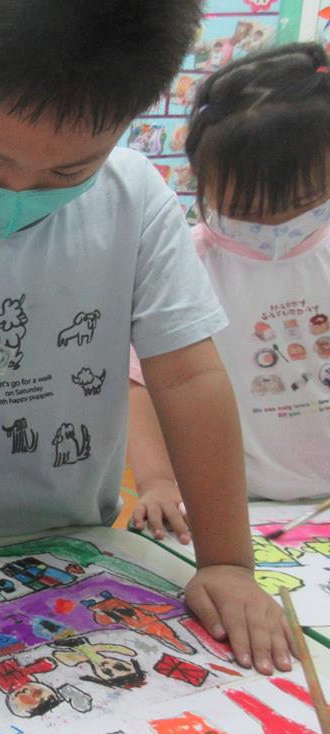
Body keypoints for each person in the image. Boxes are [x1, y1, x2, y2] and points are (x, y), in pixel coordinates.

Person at [0, 0, 294, 675]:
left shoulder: (137, 200)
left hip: (75, 541)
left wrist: (229, 562)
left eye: (68, 172)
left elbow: (188, 378)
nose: (19, 189)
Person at [128, 43, 330, 529]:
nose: (275, 224)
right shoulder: (186, 262)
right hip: (235, 503)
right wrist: (158, 481)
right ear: (202, 179)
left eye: (304, 202)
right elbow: (137, 385)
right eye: (246, 209)